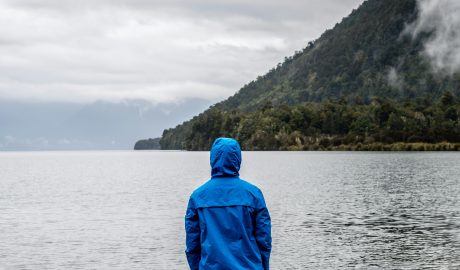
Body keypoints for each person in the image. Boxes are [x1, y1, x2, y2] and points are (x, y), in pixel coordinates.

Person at [185, 137, 272, 270]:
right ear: (237, 158)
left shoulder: (197, 197)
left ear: (213, 159)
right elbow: (264, 240)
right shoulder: (253, 194)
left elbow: (192, 245)